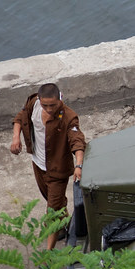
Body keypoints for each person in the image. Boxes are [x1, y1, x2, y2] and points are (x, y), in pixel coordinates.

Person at [10, 83, 86, 250]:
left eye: (53, 105)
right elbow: (20, 117)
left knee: (51, 213)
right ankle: (65, 225)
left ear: (60, 98)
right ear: (39, 100)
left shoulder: (68, 117)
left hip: (57, 171)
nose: (49, 109)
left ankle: (47, 252)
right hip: (38, 163)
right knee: (55, 204)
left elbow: (77, 142)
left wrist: (79, 165)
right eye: (45, 105)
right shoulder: (33, 104)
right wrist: (16, 138)